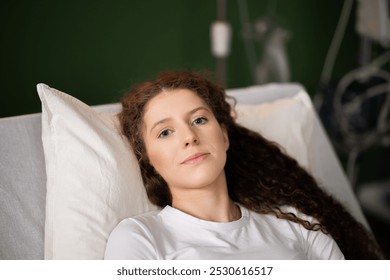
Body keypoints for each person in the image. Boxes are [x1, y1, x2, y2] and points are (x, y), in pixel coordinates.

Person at [104, 71, 382, 260]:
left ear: (224, 136)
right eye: (165, 132)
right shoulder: (140, 239)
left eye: (199, 120)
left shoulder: (300, 228)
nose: (189, 137)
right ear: (149, 160)